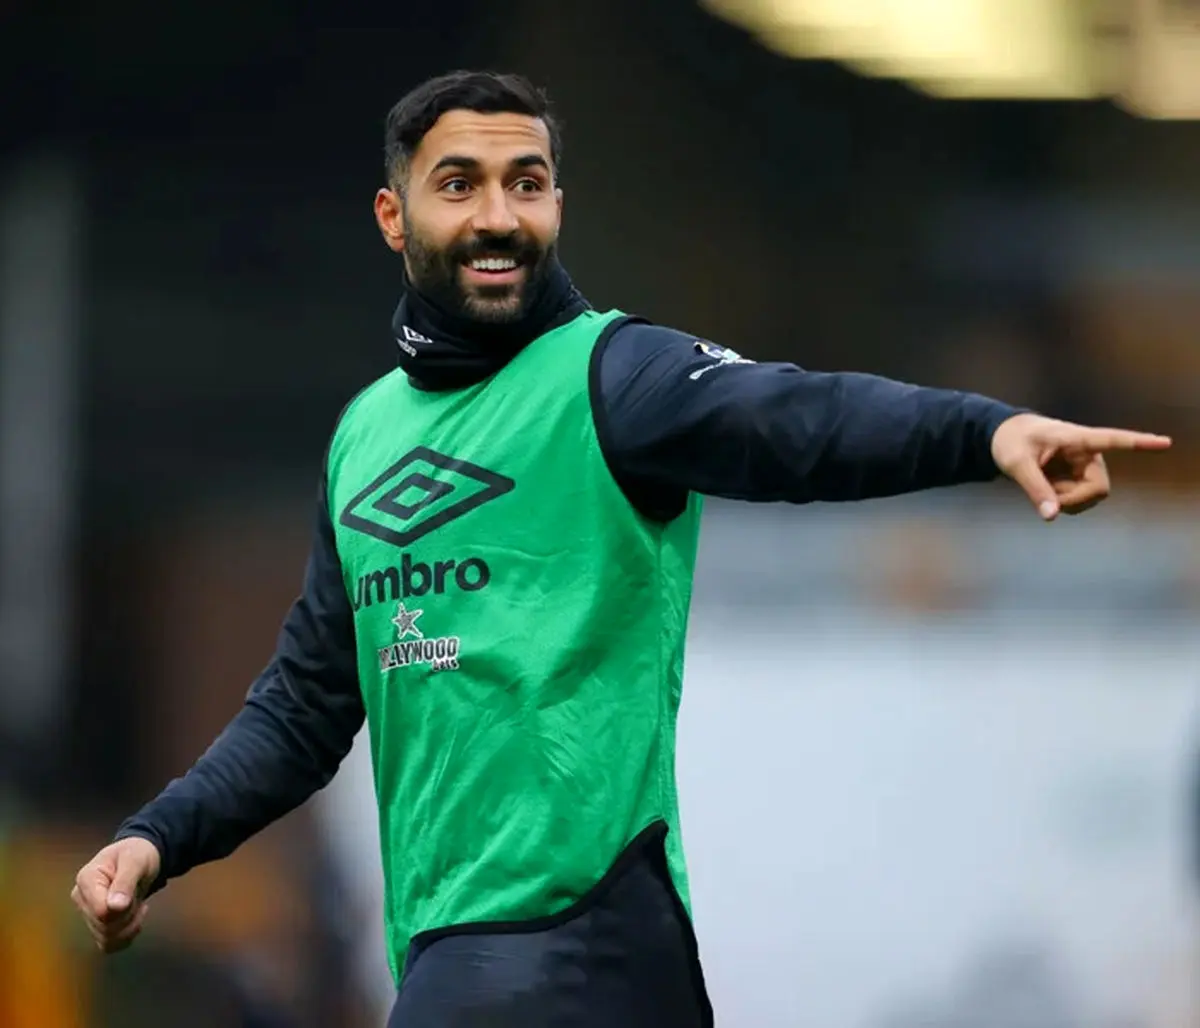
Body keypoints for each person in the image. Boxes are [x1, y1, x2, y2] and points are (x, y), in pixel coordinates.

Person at [70, 70, 1171, 1027]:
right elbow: (306, 704)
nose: (499, 216)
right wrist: (159, 839)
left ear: (557, 203)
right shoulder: (366, 435)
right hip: (473, 954)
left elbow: (794, 418)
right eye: (460, 184)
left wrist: (984, 432)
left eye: (527, 184)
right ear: (393, 216)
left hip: (579, 939)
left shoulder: (614, 377)